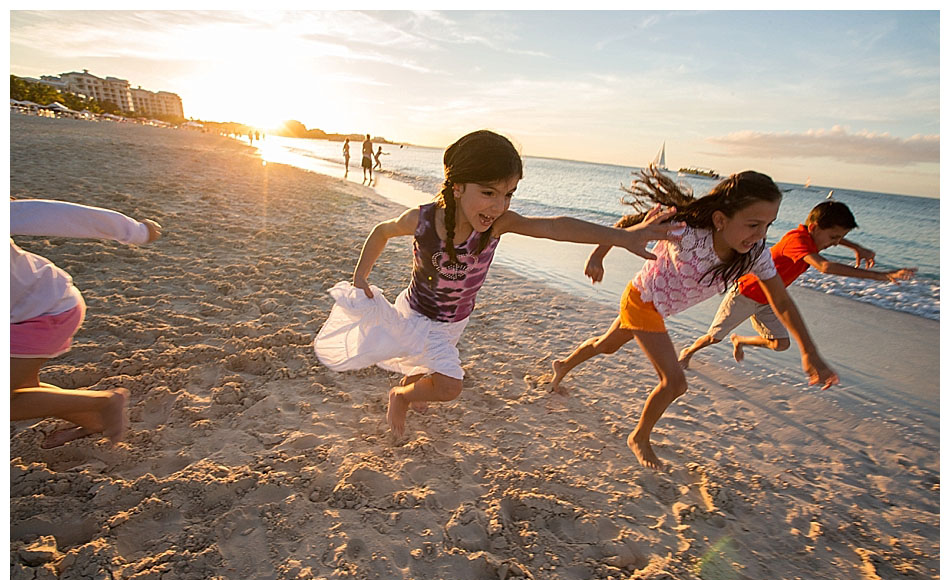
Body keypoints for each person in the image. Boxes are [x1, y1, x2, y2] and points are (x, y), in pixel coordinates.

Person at [314, 130, 685, 439]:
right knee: (450, 384)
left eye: (508, 195)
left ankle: (412, 386)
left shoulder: (498, 225)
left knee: (425, 362)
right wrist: (361, 276)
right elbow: (382, 231)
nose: (498, 205)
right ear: (457, 187)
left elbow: (555, 227)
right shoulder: (424, 220)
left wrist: (620, 237)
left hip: (453, 322)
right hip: (414, 312)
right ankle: (402, 396)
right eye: (489, 193)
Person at [548, 168, 838, 470]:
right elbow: (625, 227)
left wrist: (809, 350)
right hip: (642, 298)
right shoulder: (684, 231)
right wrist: (598, 256)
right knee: (675, 383)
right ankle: (639, 437)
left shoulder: (755, 255)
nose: (760, 235)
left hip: (659, 309)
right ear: (720, 219)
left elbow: (781, 300)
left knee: (607, 345)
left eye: (768, 225)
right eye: (753, 224)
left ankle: (562, 366)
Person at [678, 200, 917, 367]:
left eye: (840, 238)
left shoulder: (812, 237)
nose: (835, 243)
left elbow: (830, 240)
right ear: (814, 228)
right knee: (713, 337)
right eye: (833, 237)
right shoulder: (797, 240)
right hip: (746, 294)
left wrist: (856, 247)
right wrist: (883, 275)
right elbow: (825, 267)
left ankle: (740, 340)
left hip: (771, 299)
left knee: (781, 343)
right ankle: (688, 351)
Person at [10, 199, 162, 447]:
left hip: (45, 310)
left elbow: (60, 216)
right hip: (21, 312)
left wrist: (136, 231)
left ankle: (104, 402)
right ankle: (94, 421)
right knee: (24, 387)